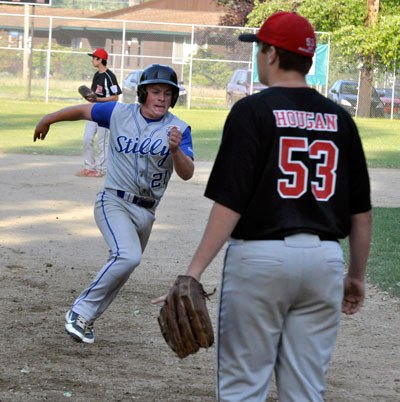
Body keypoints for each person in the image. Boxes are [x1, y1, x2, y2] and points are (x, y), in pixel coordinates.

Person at [153, 11, 372, 402]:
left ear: (271, 54)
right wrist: (355, 275)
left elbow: (230, 202)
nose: (257, 57)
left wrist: (194, 271)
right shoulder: (341, 119)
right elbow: (361, 212)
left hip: (260, 260)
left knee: (242, 387)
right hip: (324, 261)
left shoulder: (252, 111)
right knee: (305, 390)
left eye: (259, 49)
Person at [34, 64, 195, 344]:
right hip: (114, 201)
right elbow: (83, 111)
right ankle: (79, 311)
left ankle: (86, 320)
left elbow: (187, 172)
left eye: (168, 94)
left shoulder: (179, 129)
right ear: (143, 93)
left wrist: (176, 150)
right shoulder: (119, 113)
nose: (162, 98)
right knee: (127, 256)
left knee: (124, 266)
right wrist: (49, 118)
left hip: (147, 212)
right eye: (156, 92)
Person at [76, 48, 122, 178]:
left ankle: (101, 170)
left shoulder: (110, 76)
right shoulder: (97, 75)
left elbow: (115, 97)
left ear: (100, 60)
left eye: (94, 57)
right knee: (87, 139)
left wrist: (98, 99)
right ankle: (89, 167)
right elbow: (94, 94)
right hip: (93, 109)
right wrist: (90, 98)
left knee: (102, 142)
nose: (92, 60)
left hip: (106, 111)